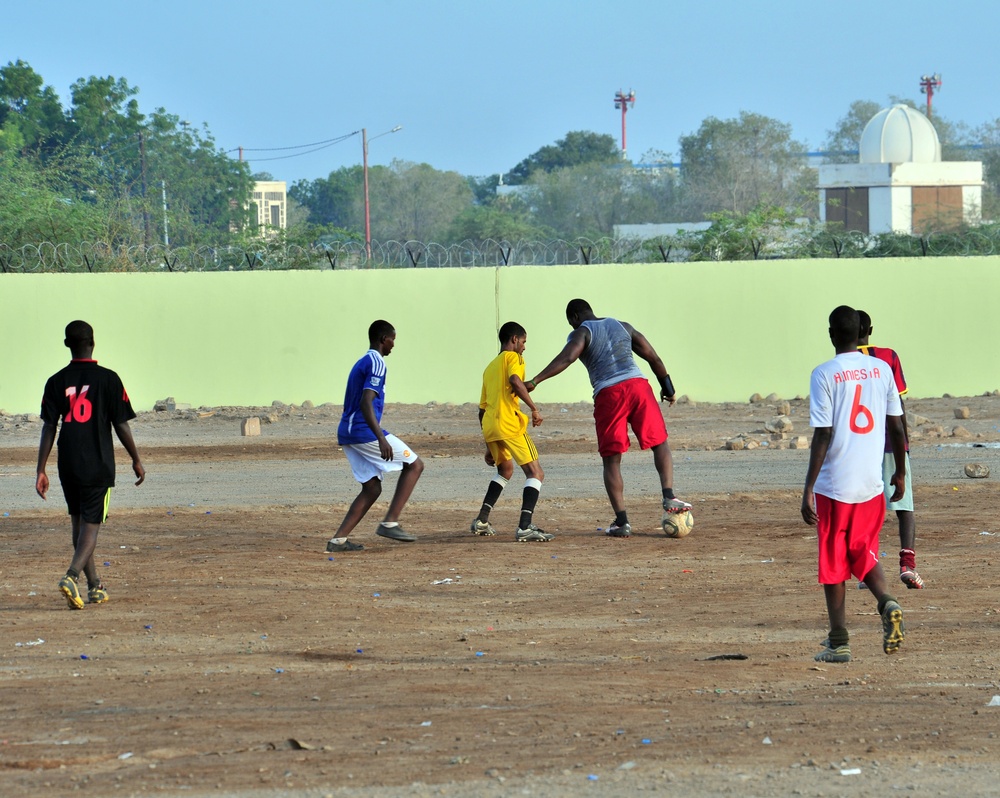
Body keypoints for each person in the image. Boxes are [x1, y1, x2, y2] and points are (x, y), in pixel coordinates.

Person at [526, 299, 690, 538]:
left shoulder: (581, 332)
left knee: (612, 460)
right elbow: (653, 357)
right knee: (659, 443)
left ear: (573, 317)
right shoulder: (623, 325)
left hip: (609, 394)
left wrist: (535, 381)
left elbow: (567, 358)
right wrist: (668, 387)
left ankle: (622, 522)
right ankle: (669, 495)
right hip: (638, 386)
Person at [801, 305, 907, 663]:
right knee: (863, 551)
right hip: (871, 485)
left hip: (834, 487)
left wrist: (807, 489)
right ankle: (887, 601)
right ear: (862, 331)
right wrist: (900, 471)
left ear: (832, 334)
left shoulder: (824, 374)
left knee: (833, 562)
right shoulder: (882, 369)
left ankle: (838, 640)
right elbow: (897, 426)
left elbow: (824, 433)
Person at [36, 320, 146, 610]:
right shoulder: (109, 379)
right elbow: (120, 424)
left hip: (68, 462)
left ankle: (94, 586)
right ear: (93, 342)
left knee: (79, 521)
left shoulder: (56, 381)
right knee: (92, 525)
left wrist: (41, 469)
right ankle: (71, 576)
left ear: (67, 345)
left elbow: (49, 427)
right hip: (98, 462)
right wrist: (135, 459)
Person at [325, 320, 424, 552]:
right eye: (392, 340)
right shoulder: (377, 363)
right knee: (415, 464)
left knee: (372, 488)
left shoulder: (361, 362)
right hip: (362, 431)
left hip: (347, 432)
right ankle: (390, 522)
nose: (393, 346)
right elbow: (366, 401)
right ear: (383, 340)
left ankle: (337, 540)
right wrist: (380, 438)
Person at [857, 309, 923, 589]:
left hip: (859, 445)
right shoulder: (888, 357)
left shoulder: (840, 365)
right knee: (903, 505)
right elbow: (898, 408)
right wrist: (904, 446)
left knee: (864, 507)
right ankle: (907, 565)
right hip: (889, 442)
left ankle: (866, 568)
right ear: (870, 329)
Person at [471, 321, 554, 543]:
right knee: (536, 473)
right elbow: (515, 381)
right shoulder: (514, 358)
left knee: (505, 470)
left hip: (491, 425)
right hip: (509, 423)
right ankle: (525, 527)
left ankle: (481, 520)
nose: (525, 347)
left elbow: (481, 409)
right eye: (524, 341)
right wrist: (534, 409)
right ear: (515, 340)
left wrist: (489, 445)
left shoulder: (489, 368)